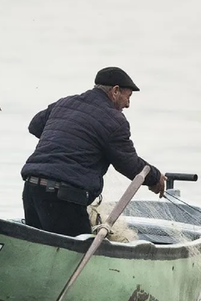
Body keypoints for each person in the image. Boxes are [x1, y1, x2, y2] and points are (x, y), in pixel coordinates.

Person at [20, 66, 166, 237]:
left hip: (31, 190)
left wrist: (68, 140)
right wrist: (155, 178)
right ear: (115, 91)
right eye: (128, 96)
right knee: (76, 256)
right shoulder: (114, 120)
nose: (128, 104)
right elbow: (130, 164)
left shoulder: (65, 103)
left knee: (41, 250)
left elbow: (35, 125)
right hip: (64, 198)